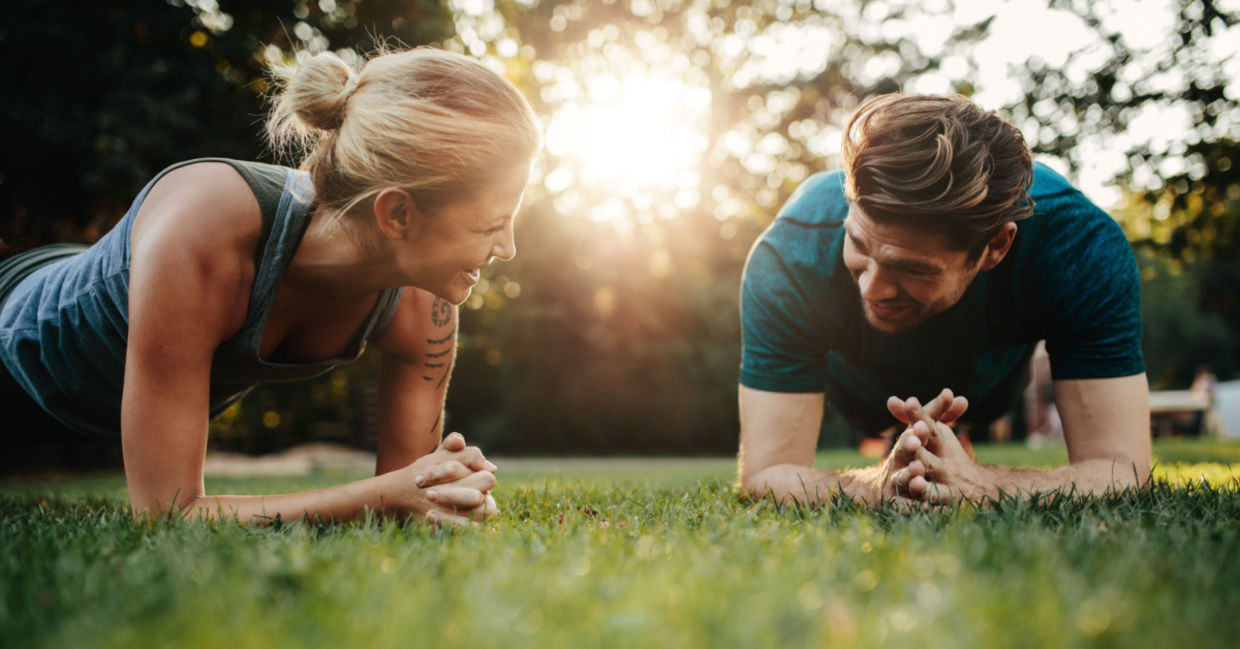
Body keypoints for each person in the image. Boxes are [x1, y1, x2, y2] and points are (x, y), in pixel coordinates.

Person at [0, 47, 541, 524]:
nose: (507, 248)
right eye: (489, 224)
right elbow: (169, 513)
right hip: (17, 342)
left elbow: (412, 494)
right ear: (396, 213)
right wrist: (383, 495)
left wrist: (448, 495)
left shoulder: (427, 306)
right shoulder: (203, 231)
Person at [737, 93, 1150, 507]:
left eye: (913, 268)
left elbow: (1123, 469)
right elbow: (765, 472)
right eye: (858, 243)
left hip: (987, 388)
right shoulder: (790, 254)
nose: (872, 288)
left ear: (996, 246)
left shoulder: (1079, 247)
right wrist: (875, 486)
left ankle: (954, 435)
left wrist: (978, 482)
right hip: (861, 392)